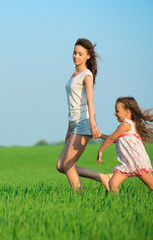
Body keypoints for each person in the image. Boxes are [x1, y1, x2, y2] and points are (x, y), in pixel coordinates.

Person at [56, 38, 112, 193]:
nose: (76, 56)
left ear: (88, 56)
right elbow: (73, 105)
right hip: (74, 123)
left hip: (83, 123)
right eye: (74, 52)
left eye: (80, 54)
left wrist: (93, 123)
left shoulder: (87, 75)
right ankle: (104, 178)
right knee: (61, 166)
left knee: (68, 166)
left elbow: (90, 101)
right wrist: (68, 129)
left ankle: (79, 197)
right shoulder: (74, 74)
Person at [97, 96, 153, 197]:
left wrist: (100, 150)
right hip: (127, 163)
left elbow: (111, 139)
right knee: (112, 184)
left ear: (127, 112)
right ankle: (115, 204)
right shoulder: (127, 125)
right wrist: (100, 135)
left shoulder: (126, 124)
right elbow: (115, 139)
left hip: (137, 162)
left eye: (117, 111)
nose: (115, 113)